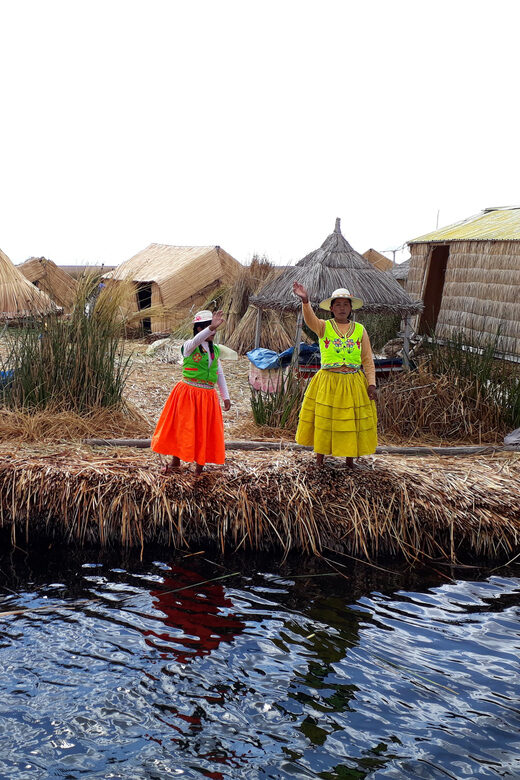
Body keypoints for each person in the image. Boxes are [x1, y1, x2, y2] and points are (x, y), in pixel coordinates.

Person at [292, 282, 377, 469]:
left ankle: (349, 459)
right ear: (331, 308)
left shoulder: (360, 330)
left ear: (351, 308)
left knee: (350, 420)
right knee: (324, 418)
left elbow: (367, 360)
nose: (342, 308)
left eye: (345, 304)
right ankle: (320, 458)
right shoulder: (324, 327)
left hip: (353, 381)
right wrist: (305, 301)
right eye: (337, 304)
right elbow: (310, 320)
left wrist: (371, 384)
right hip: (329, 380)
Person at [151, 309, 231, 475]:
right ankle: (175, 462)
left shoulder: (214, 350)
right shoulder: (188, 347)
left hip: (207, 396)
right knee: (183, 427)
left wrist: (226, 397)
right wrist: (210, 328)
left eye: (215, 329)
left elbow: (219, 373)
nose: (214, 332)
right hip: (188, 393)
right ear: (199, 329)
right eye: (210, 329)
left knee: (204, 430)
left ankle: (200, 466)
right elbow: (196, 340)